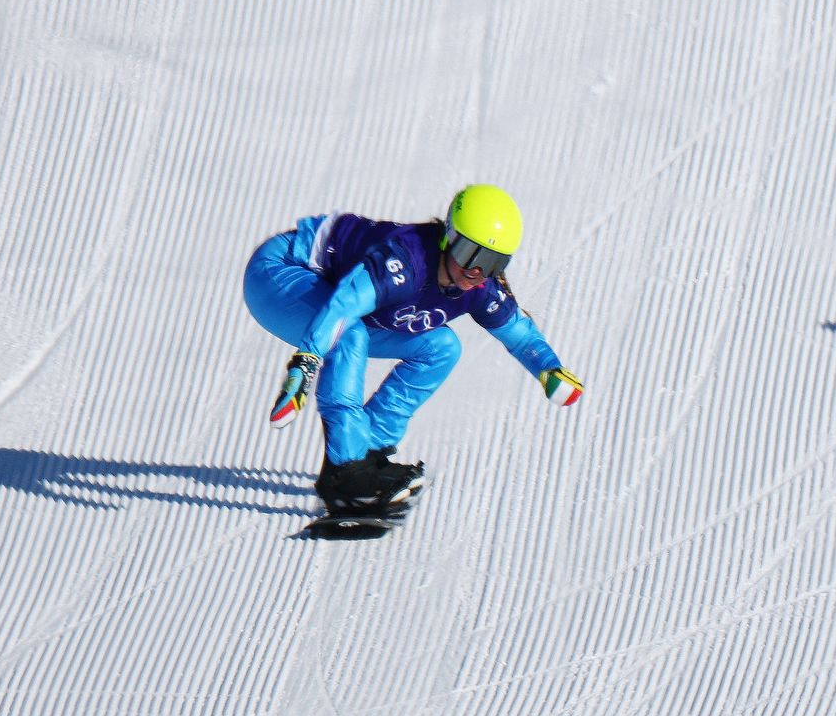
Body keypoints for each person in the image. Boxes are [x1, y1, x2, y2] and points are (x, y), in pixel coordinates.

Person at [243, 184, 583, 512]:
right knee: (350, 334)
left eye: (494, 262)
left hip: (331, 297)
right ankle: (346, 469)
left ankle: (369, 448)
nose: (476, 271)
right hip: (279, 272)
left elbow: (520, 334)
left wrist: (549, 370)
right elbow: (344, 307)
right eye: (470, 254)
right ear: (449, 237)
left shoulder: (480, 287)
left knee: (442, 345)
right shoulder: (406, 262)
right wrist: (306, 362)